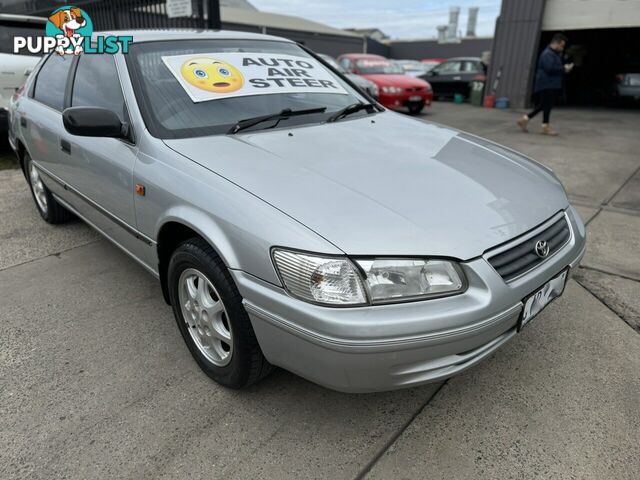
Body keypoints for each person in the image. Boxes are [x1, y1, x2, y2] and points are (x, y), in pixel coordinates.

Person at [517, 33, 573, 136]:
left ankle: (526, 120)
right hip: (546, 84)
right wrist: (564, 68)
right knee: (546, 105)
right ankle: (543, 126)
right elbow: (549, 69)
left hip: (551, 83)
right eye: (561, 45)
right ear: (556, 43)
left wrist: (563, 68)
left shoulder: (554, 54)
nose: (562, 48)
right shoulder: (547, 54)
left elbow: (554, 68)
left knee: (545, 105)